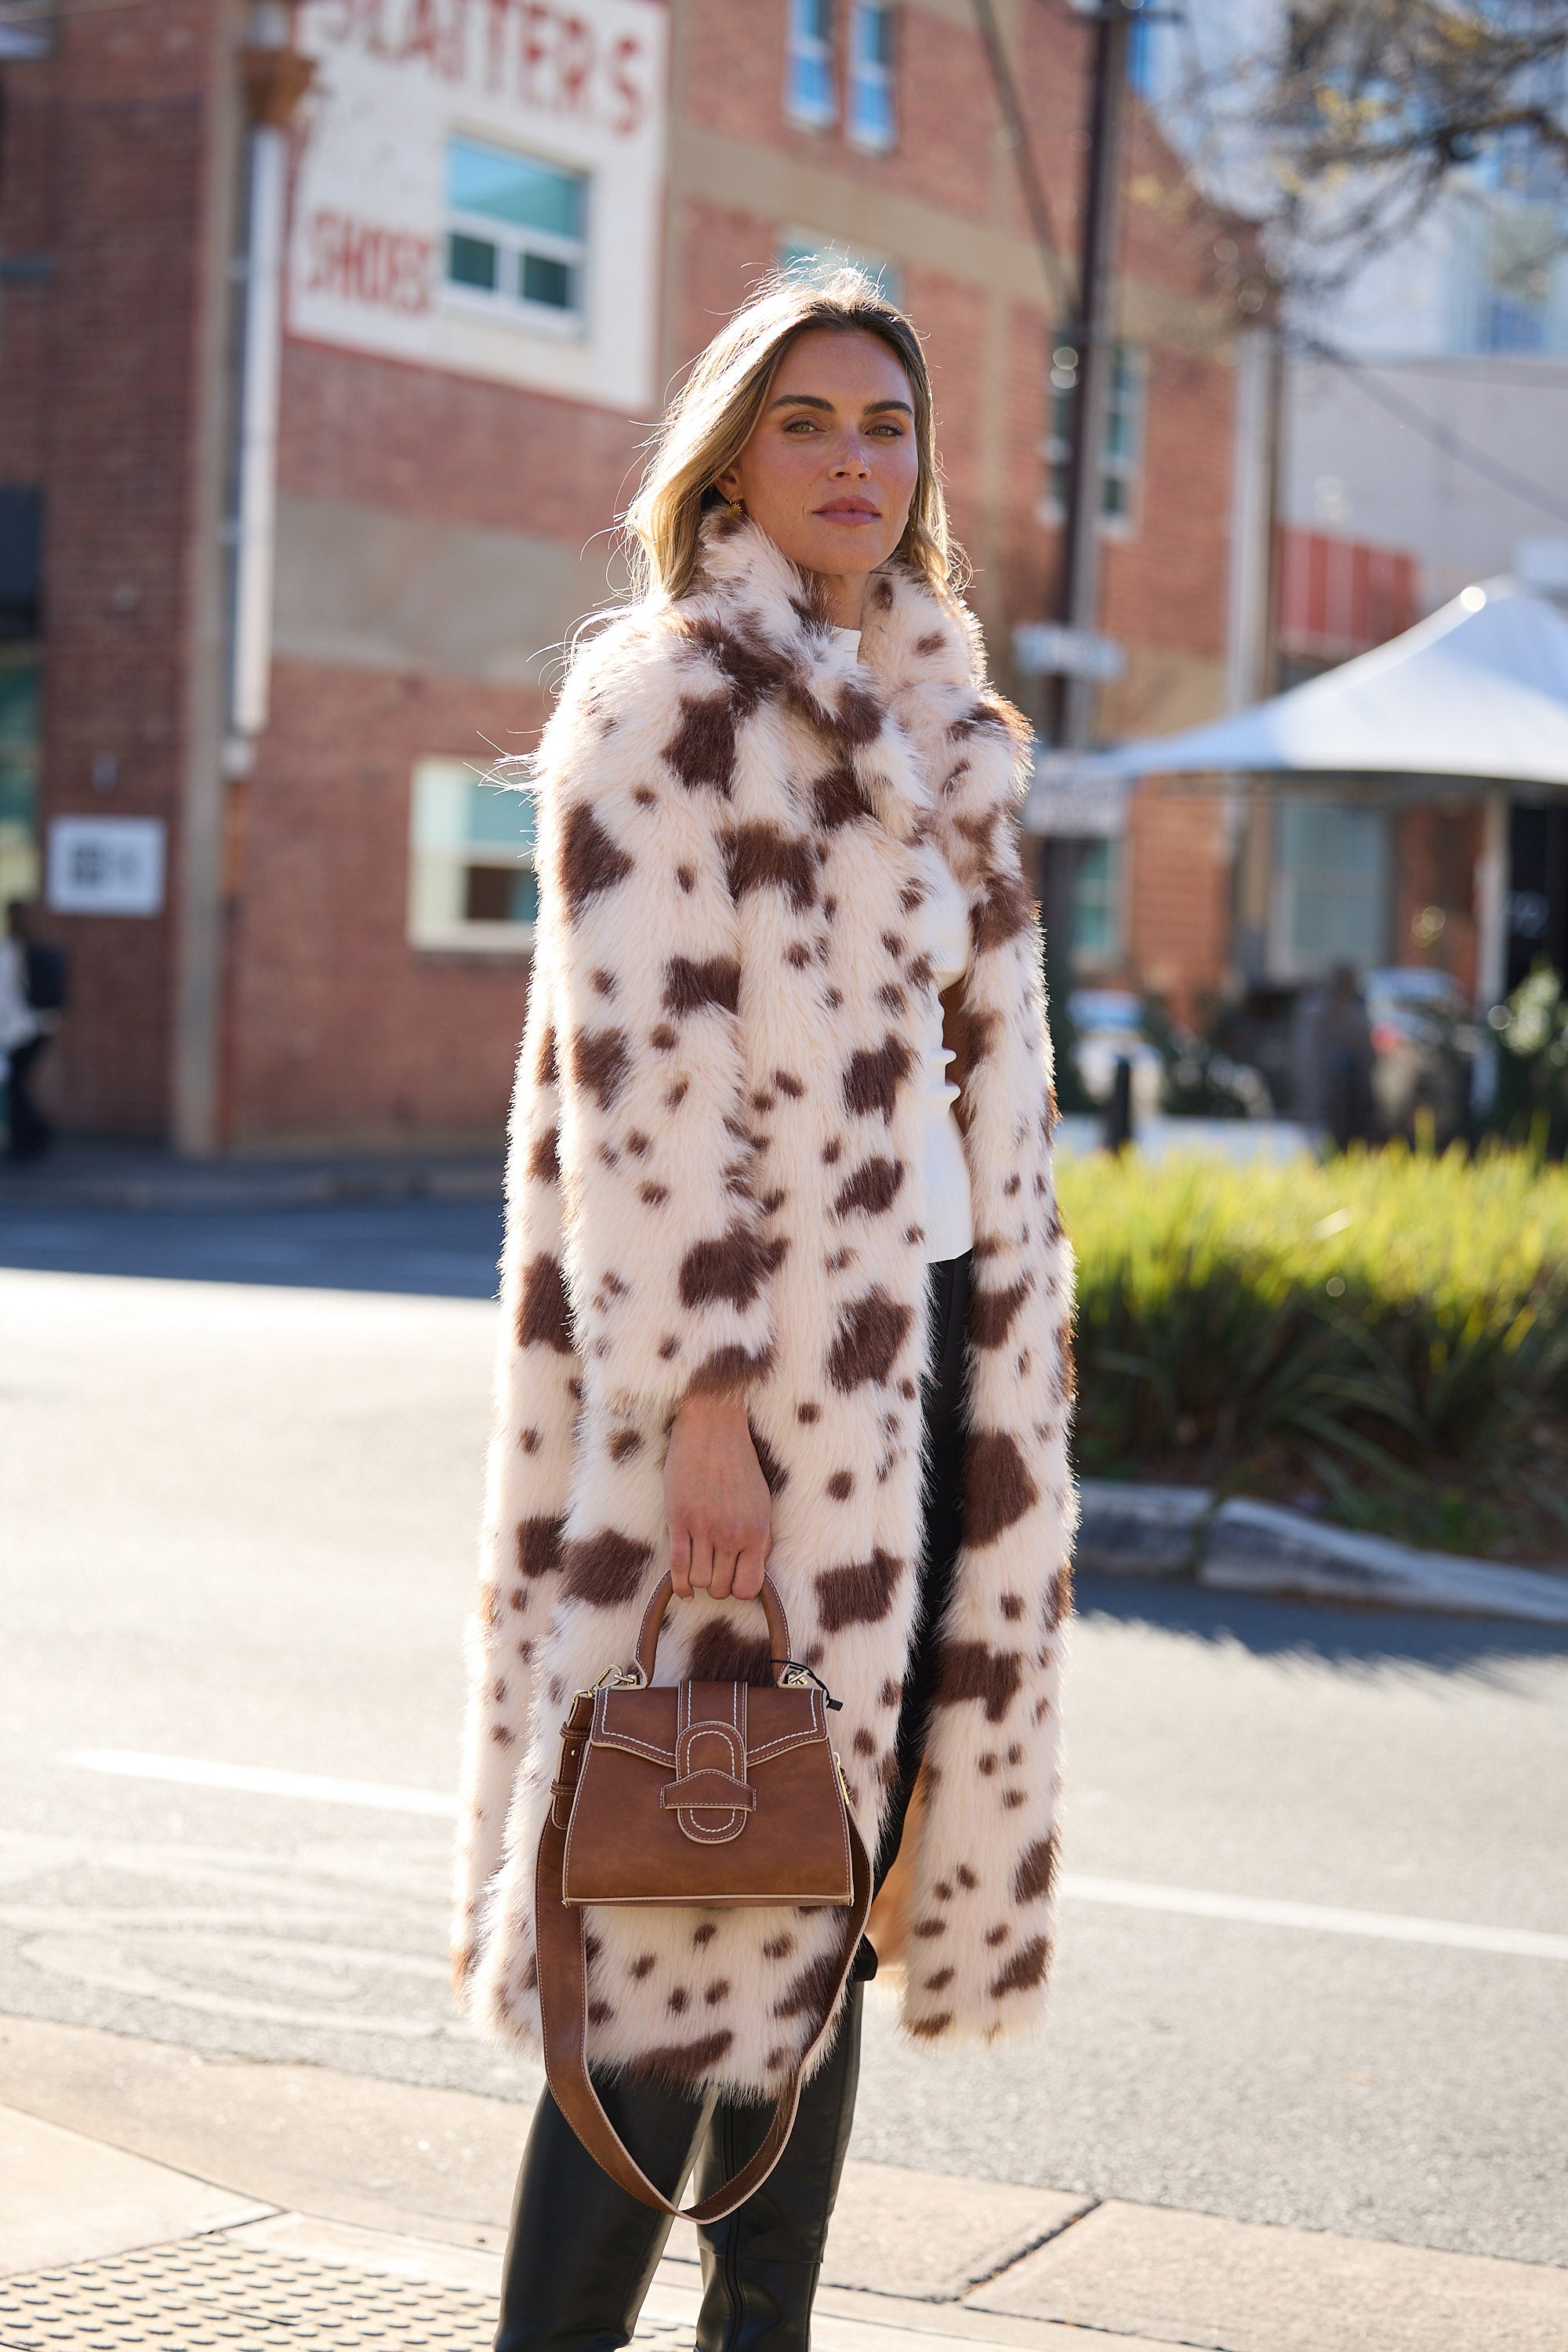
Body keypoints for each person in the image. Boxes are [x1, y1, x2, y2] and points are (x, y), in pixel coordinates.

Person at [452, 269, 1076, 2352]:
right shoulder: (665, 705)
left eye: (884, 427)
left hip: (933, 1386)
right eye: (805, 423)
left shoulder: (949, 728)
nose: (850, 462)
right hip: (744, 1405)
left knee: (819, 1923)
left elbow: (988, 1103)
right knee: (677, 1913)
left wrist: (1008, 1397)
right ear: (730, 456)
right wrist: (703, 1407)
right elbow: (648, 1095)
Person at [1, 898, 64, 1163]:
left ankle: (33, 1138)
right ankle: (30, 1138)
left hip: (18, 1030)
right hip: (37, 1026)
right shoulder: (33, 946)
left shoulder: (11, 951)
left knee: (15, 1086)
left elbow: (7, 998)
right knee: (18, 1085)